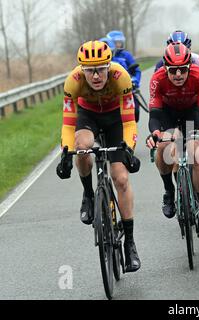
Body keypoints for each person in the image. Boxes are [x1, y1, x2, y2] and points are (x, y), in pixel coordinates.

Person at [56, 40, 141, 272]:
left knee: (121, 178)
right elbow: (68, 125)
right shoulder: (72, 82)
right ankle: (88, 194)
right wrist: (65, 152)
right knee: (82, 147)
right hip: (88, 116)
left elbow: (129, 122)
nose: (95, 76)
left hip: (116, 118)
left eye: (100, 69)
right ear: (82, 70)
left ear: (108, 65)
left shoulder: (120, 77)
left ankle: (130, 244)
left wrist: (129, 150)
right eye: (90, 70)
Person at [146, 43, 199, 236]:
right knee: (164, 146)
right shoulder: (157, 79)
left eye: (182, 70)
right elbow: (154, 116)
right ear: (165, 68)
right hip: (167, 114)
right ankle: (169, 190)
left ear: (188, 67)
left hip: (192, 113)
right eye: (173, 70)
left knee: (195, 154)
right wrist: (156, 134)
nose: (178, 75)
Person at [107, 30, 142, 122]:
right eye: (116, 42)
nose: (118, 45)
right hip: (111, 90)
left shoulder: (126, 55)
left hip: (127, 87)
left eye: (120, 42)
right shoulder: (106, 56)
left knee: (136, 111)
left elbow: (136, 70)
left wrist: (135, 81)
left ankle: (131, 129)